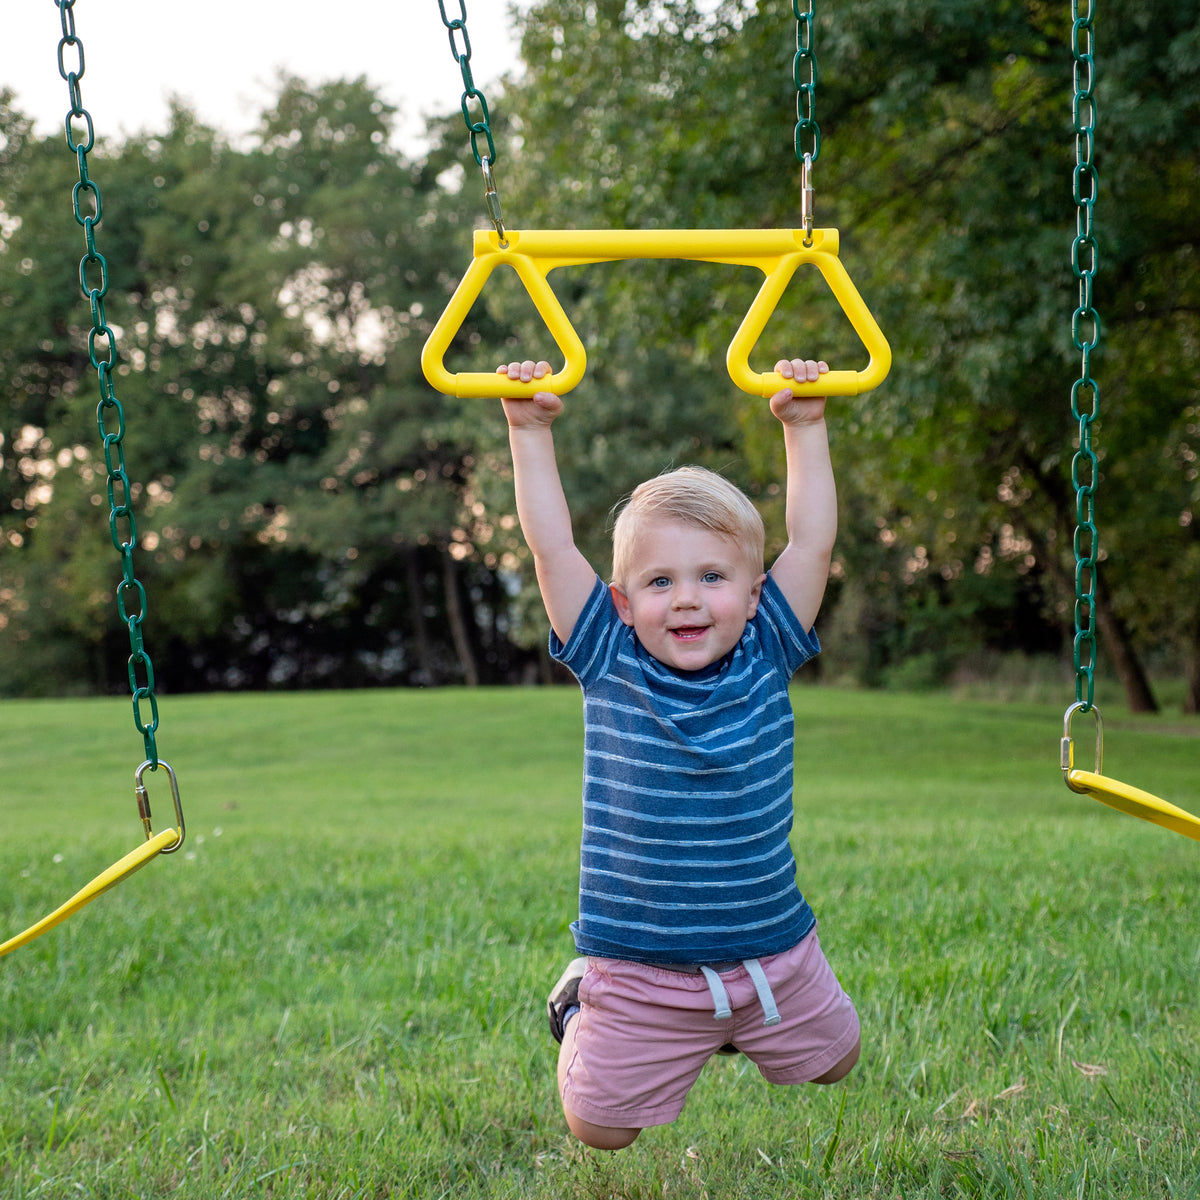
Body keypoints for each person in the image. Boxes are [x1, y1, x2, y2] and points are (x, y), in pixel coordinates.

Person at [498, 355, 860, 1151]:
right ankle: (579, 1004)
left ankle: (728, 1025)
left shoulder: (768, 647)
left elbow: (811, 541)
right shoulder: (609, 657)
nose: (688, 597)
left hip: (771, 950)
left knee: (838, 1060)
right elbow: (552, 548)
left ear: (755, 593)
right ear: (623, 603)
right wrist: (528, 431)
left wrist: (804, 426)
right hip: (640, 966)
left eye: (712, 577)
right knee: (601, 1131)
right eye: (660, 582)